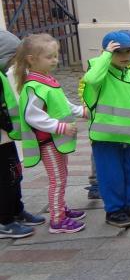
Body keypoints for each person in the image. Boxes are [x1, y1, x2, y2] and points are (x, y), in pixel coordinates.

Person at [14, 34, 87, 234]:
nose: (55, 60)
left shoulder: (47, 80)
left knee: (62, 176)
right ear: (31, 59)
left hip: (56, 141)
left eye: (56, 55)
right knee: (58, 180)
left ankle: (60, 208)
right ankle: (57, 220)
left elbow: (63, 104)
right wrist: (60, 127)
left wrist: (81, 111)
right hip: (48, 142)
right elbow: (32, 116)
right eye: (49, 57)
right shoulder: (34, 87)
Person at [82, 31, 130, 228]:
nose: (125, 56)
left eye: (128, 51)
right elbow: (91, 79)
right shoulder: (100, 72)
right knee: (110, 175)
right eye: (118, 52)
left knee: (129, 173)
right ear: (107, 52)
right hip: (104, 138)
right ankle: (113, 211)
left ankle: (128, 205)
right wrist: (105, 55)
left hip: (126, 136)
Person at [0, 31, 38, 239]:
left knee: (15, 173)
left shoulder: (4, 76)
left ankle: (17, 209)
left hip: (7, 138)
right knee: (5, 179)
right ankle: (5, 221)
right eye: (14, 57)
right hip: (3, 137)